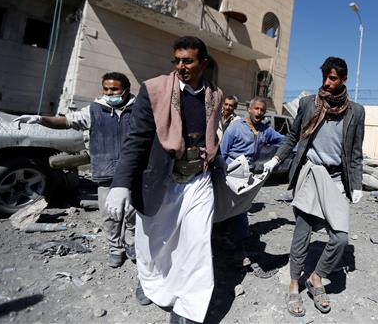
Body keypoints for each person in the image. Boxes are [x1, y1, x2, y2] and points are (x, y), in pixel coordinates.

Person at [105, 36, 223, 324]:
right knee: (153, 243)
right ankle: (151, 282)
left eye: (188, 60)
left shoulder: (215, 95)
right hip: (162, 178)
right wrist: (120, 183)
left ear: (203, 63)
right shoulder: (154, 89)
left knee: (196, 244)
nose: (181, 66)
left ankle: (188, 308)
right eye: (177, 60)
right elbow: (137, 140)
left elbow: (212, 136)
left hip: (198, 180)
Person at [263, 57, 364, 317]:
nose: (327, 83)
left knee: (340, 238)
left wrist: (357, 184)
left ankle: (316, 278)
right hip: (310, 172)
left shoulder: (356, 112)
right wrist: (276, 159)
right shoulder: (309, 104)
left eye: (332, 78)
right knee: (302, 233)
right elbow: (294, 136)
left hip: (335, 179)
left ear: (343, 80)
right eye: (325, 78)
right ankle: (295, 283)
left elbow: (354, 153)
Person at [15, 72, 136, 268]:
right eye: (106, 89)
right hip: (105, 172)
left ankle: (131, 244)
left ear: (126, 89)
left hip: (132, 173)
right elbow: (66, 122)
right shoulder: (94, 110)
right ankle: (116, 248)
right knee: (110, 214)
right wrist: (41, 119)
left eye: (114, 89)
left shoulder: (140, 109)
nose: (109, 93)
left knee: (132, 212)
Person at [218, 96, 284, 266]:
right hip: (230, 176)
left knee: (238, 211)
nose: (259, 112)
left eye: (262, 110)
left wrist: (300, 142)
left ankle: (235, 246)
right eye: (257, 109)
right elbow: (222, 154)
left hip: (247, 178)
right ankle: (236, 249)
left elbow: (285, 141)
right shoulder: (234, 128)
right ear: (249, 109)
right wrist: (222, 175)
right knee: (235, 212)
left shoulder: (264, 130)